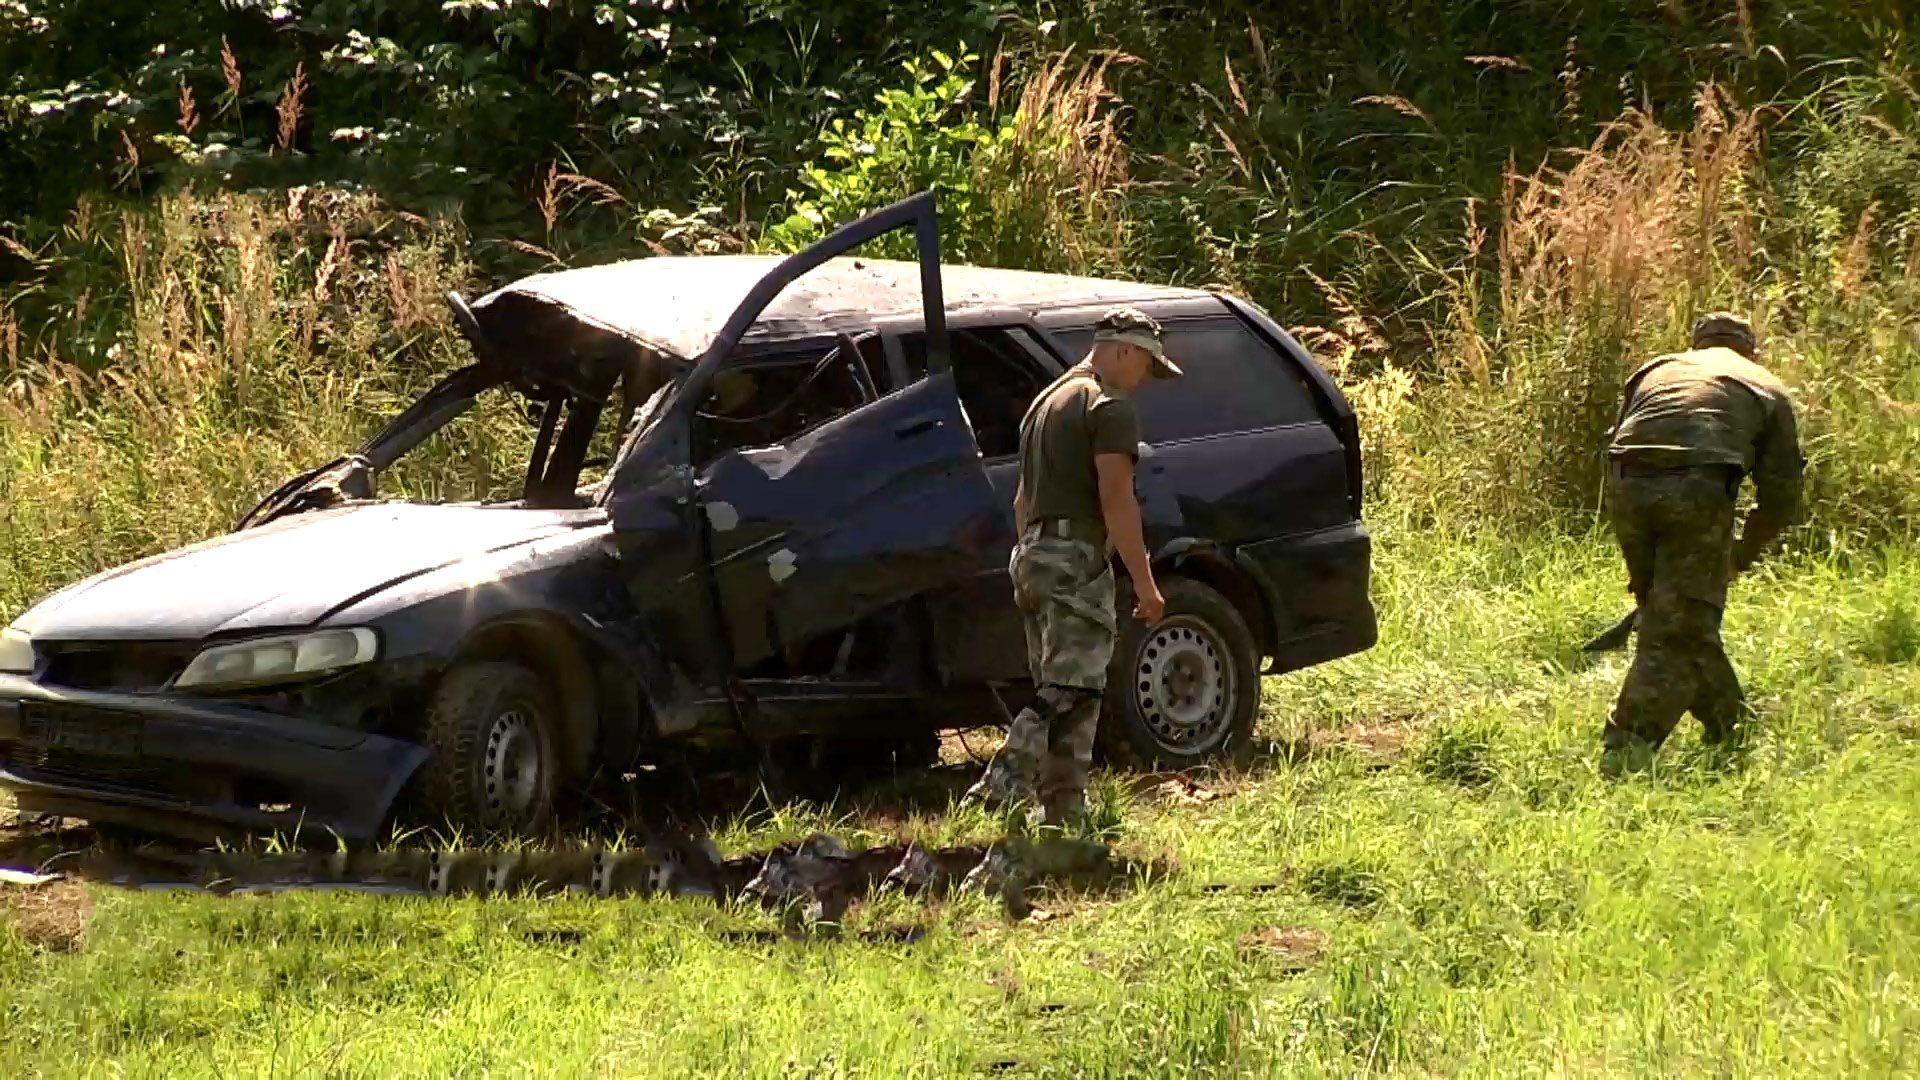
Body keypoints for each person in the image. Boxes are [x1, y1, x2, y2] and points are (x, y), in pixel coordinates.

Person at [965, 307, 1182, 827]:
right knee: (1074, 687)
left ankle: (1063, 814)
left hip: (1033, 557)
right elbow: (1117, 500)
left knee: (1068, 692)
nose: (1145, 379)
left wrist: (1034, 557)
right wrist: (1146, 585)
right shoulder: (1107, 407)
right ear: (1124, 349)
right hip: (1074, 558)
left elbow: (1022, 501)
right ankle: (1007, 771)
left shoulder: (1045, 403)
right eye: (1147, 365)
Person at [1601, 311, 1805, 774]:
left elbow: (1614, 440)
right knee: (1679, 623)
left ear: (1695, 344)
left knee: (1674, 613)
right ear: (1751, 351)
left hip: (1625, 481)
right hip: (1697, 483)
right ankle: (1627, 746)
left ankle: (1730, 725)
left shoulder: (1656, 369)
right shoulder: (1764, 384)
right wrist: (1742, 554)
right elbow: (1781, 493)